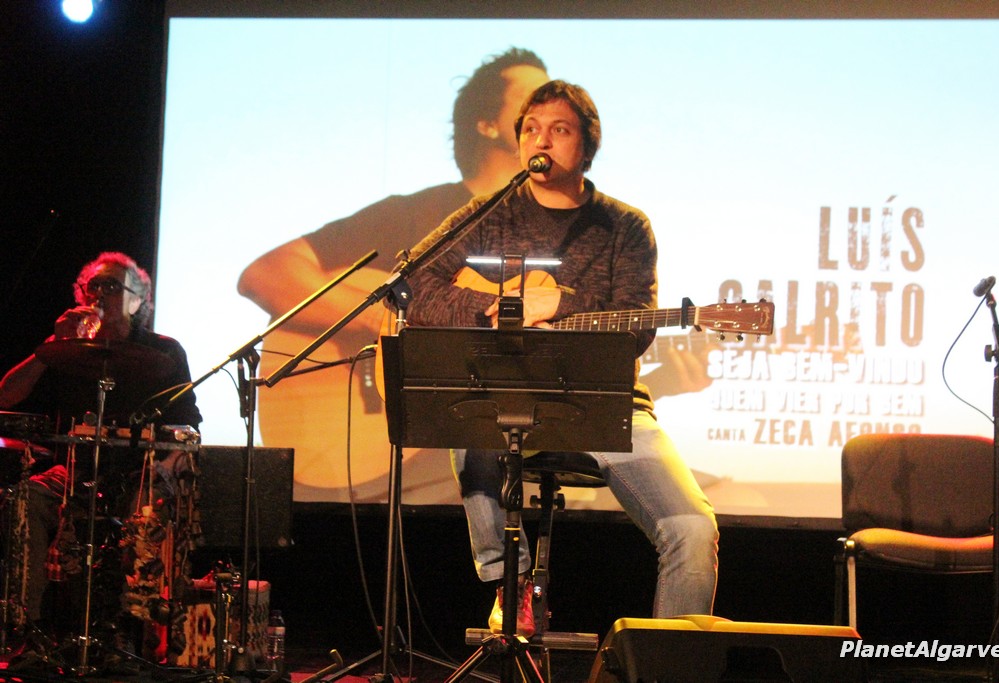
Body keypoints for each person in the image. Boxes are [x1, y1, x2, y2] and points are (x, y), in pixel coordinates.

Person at [401, 80, 719, 635]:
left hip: (602, 402)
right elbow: (410, 283)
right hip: (505, 399)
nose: (541, 140)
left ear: (587, 147)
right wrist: (500, 309)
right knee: (467, 422)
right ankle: (510, 584)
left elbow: (636, 326)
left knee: (693, 529)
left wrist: (562, 308)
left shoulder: (625, 226)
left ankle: (669, 659)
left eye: (559, 129)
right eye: (530, 129)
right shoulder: (490, 213)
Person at [235, 48, 551, 500]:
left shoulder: (565, 226)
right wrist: (383, 322)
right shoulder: (417, 212)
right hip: (407, 461)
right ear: (486, 124)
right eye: (533, 98)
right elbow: (264, 275)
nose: (550, 109)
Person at [0, 251, 202, 662]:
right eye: (93, 286)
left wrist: (165, 468)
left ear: (137, 300)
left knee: (145, 511)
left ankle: (126, 633)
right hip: (75, 473)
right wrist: (50, 346)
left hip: (139, 473)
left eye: (111, 286)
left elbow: (188, 427)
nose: (99, 294)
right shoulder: (68, 350)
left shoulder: (164, 351)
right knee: (27, 498)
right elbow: (6, 396)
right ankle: (28, 630)